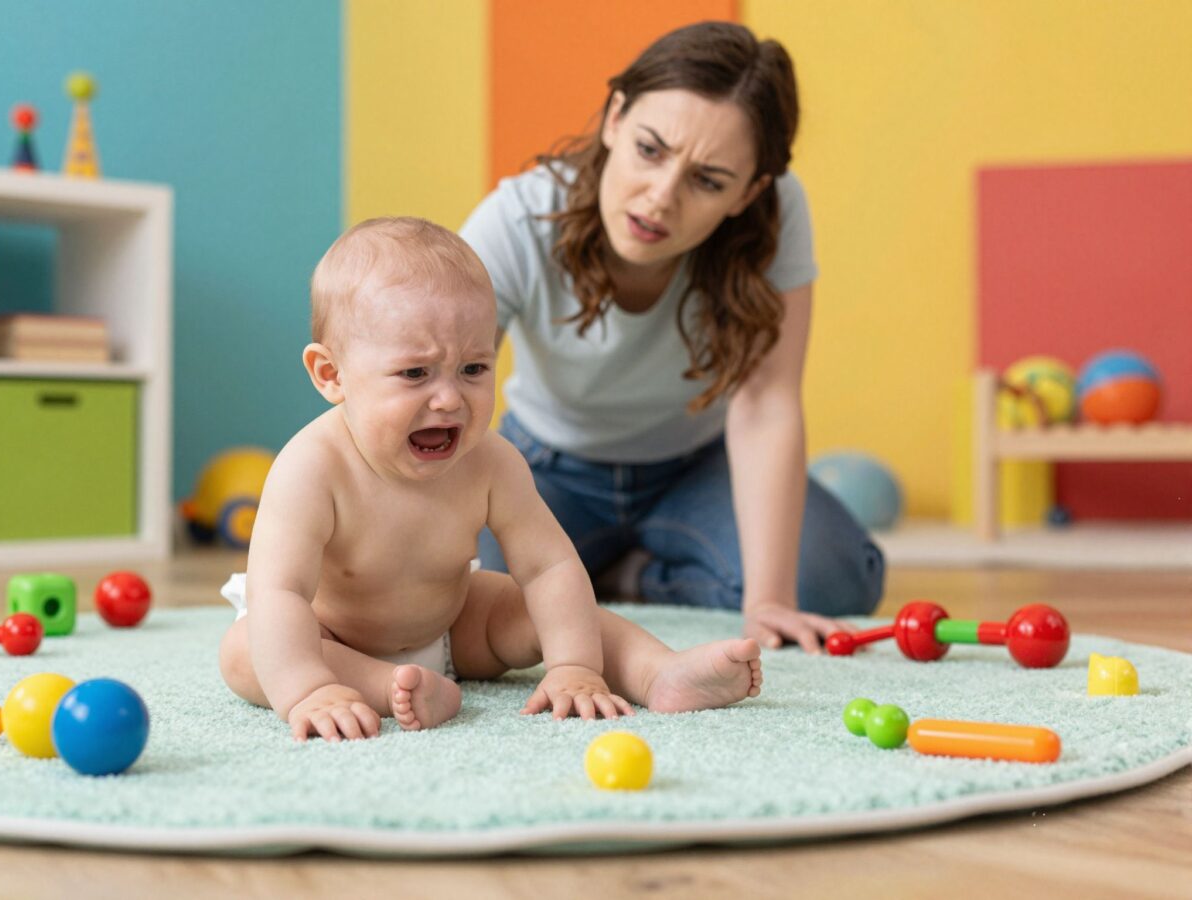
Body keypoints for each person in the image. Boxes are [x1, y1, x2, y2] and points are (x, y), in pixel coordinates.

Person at [217, 217, 763, 742]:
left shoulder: (491, 461)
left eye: (474, 369)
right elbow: (281, 591)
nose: (450, 398)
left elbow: (548, 565)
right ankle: (384, 688)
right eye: (415, 373)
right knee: (247, 650)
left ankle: (655, 673)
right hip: (332, 639)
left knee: (547, 607)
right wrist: (306, 690)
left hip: (456, 628)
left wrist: (574, 665)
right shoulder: (311, 468)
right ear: (331, 375)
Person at [460, 21, 884, 654]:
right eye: (650, 149)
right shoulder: (519, 217)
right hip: (545, 468)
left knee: (833, 580)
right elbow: (450, 390)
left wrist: (768, 602)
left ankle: (629, 576)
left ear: (750, 192)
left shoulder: (779, 215)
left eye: (708, 181)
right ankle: (604, 571)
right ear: (614, 117)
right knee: (471, 599)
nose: (660, 198)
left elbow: (767, 404)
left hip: (693, 466)